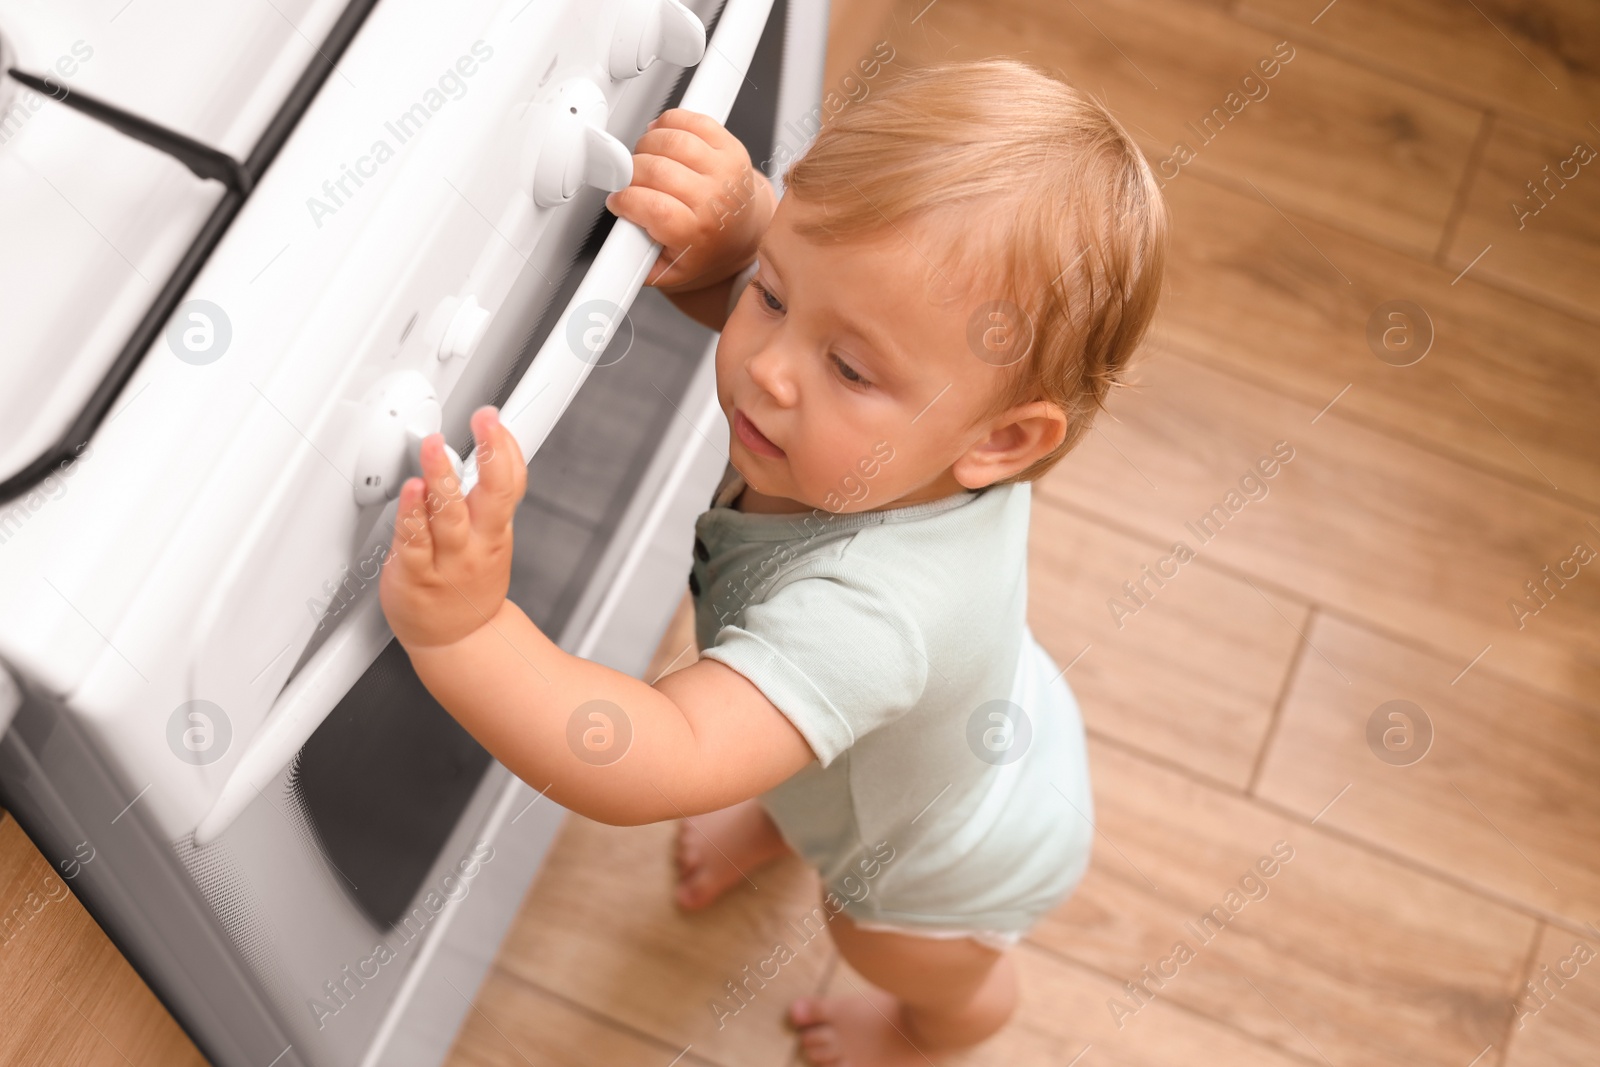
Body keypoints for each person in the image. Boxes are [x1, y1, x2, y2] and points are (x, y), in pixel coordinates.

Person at [379, 58, 1168, 1066]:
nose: (768, 366)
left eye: (847, 367)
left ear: (1002, 442)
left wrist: (466, 628)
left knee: (876, 944)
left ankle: (936, 1032)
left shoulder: (865, 621)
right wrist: (738, 226)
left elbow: (662, 750)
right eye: (770, 292)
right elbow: (823, 308)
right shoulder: (923, 427)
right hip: (970, 729)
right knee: (816, 758)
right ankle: (789, 812)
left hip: (936, 870)